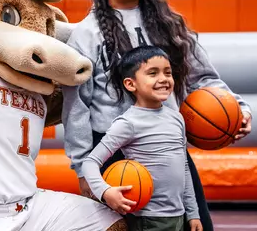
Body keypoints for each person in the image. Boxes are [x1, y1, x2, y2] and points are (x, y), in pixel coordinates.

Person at [61, 0, 252, 231]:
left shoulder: (168, 24)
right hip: (117, 156)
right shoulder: (86, 35)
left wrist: (238, 109)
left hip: (167, 148)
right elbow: (77, 106)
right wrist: (83, 168)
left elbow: (205, 79)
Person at [81, 45, 203, 231]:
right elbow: (90, 163)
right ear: (131, 84)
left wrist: (193, 213)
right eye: (153, 73)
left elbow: (184, 167)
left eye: (167, 73)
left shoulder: (176, 118)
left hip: (178, 215)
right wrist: (105, 192)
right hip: (147, 218)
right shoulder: (128, 123)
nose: (163, 79)